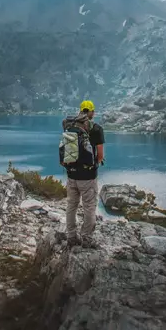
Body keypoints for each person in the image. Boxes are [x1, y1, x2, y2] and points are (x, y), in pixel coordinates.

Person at [60, 100, 105, 248]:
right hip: (88, 177)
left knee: (71, 206)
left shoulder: (70, 126)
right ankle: (86, 239)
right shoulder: (96, 129)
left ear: (80, 111)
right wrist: (96, 163)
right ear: (91, 111)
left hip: (71, 174)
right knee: (89, 207)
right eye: (93, 111)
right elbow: (99, 155)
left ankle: (72, 237)